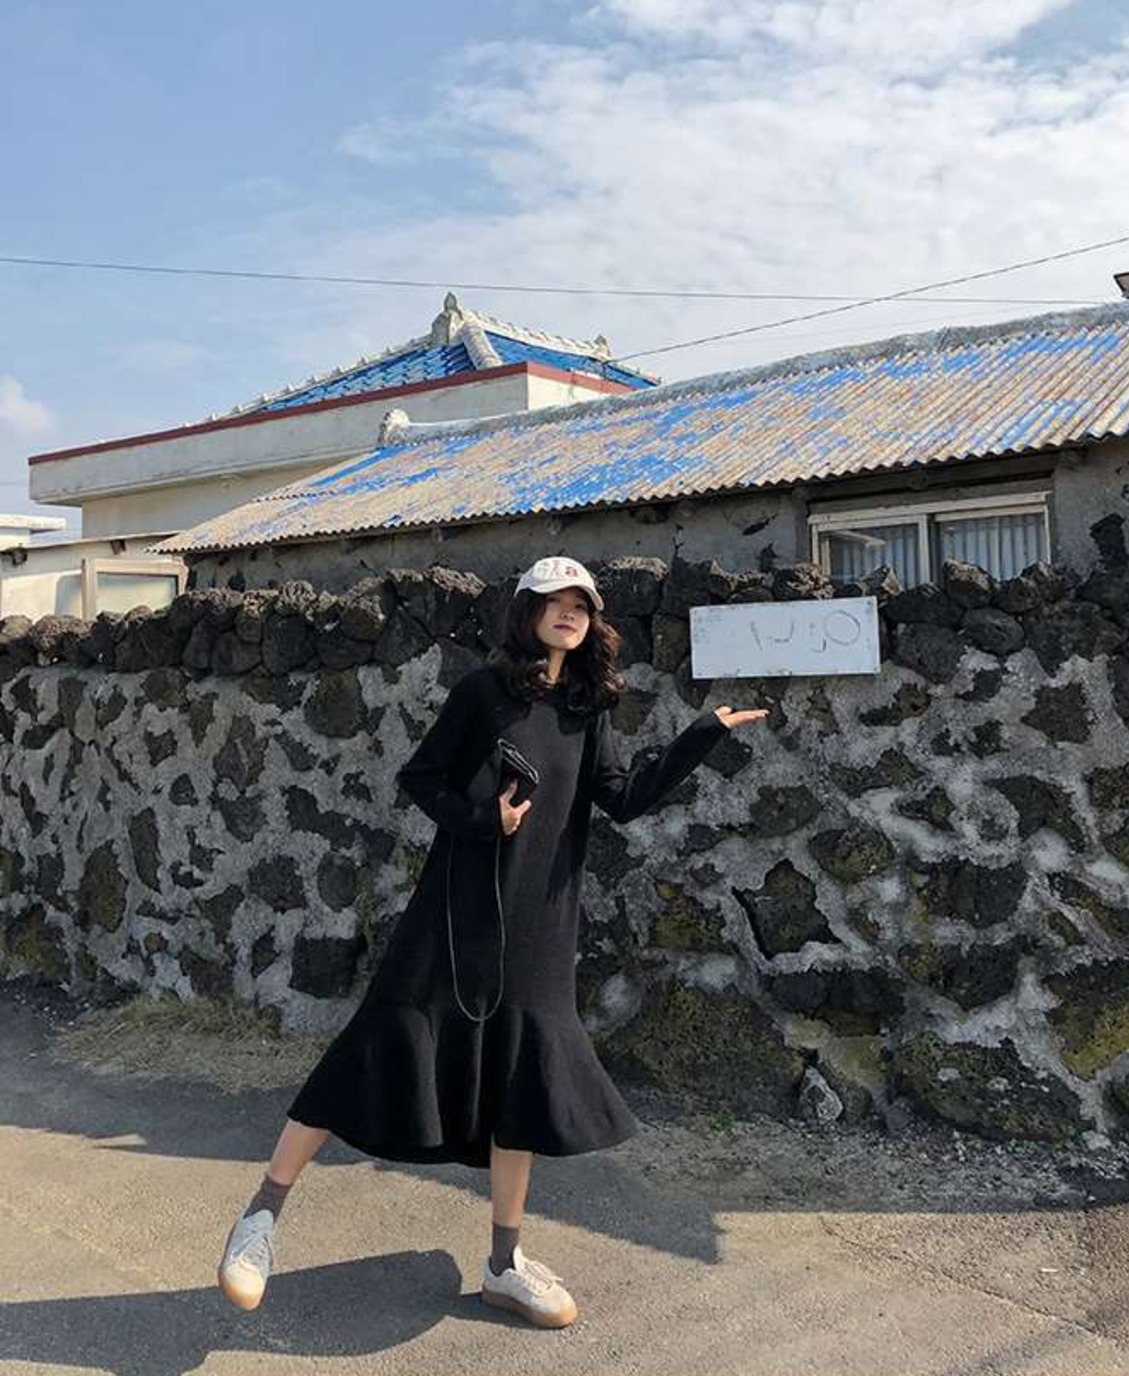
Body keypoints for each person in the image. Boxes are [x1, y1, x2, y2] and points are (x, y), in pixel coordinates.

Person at [217, 555, 767, 1329]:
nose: (570, 612)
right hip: (453, 912)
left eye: (582, 603)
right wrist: (485, 819)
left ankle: (504, 1264)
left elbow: (624, 800)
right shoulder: (483, 692)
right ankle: (260, 1218)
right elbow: (422, 778)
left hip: (540, 922)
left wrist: (702, 735)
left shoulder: (586, 708)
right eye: (555, 599)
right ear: (527, 611)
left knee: (520, 1082)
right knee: (373, 1042)